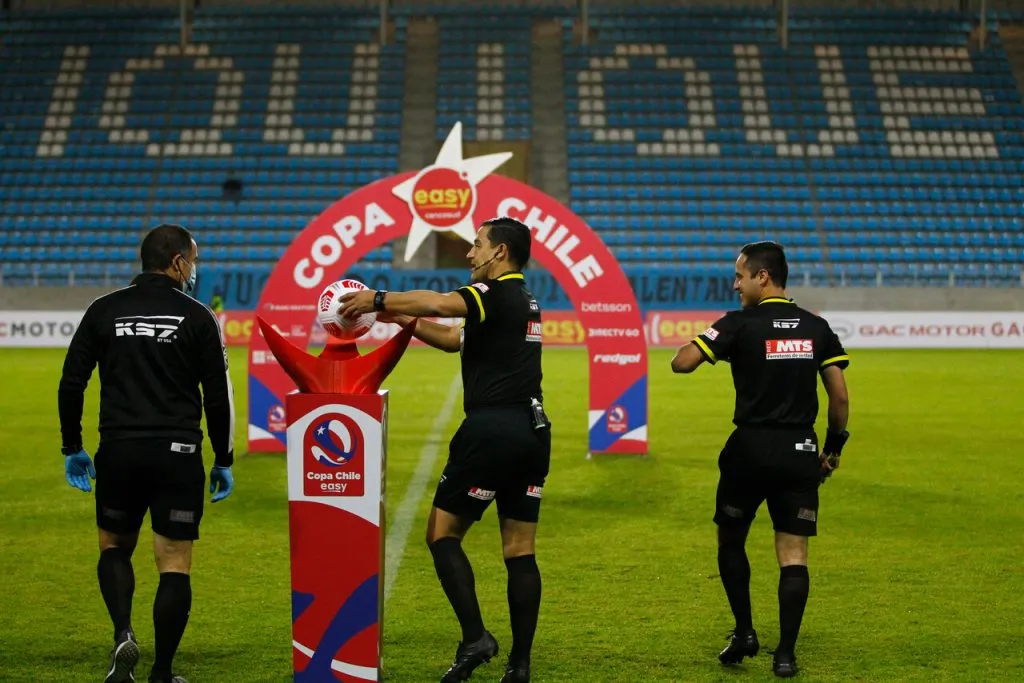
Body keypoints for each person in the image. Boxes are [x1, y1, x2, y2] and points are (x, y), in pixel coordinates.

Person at [339, 217, 550, 683]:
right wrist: (401, 319)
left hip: (491, 431)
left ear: (499, 253)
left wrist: (377, 299)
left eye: (477, 246)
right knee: (519, 549)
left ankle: (476, 636)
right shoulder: (526, 301)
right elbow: (456, 339)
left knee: (441, 534)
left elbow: (441, 303)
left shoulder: (493, 293)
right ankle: (519, 665)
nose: (470, 254)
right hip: (533, 432)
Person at [58, 223, 236, 683]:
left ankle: (122, 634)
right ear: (177, 262)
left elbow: (72, 382)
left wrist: (73, 446)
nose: (194, 268)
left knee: (114, 545)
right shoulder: (198, 317)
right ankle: (161, 672)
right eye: (192, 259)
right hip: (177, 453)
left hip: (118, 449)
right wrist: (223, 458)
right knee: (174, 561)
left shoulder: (104, 309)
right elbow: (218, 396)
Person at [670, 241, 850, 678]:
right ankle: (785, 654)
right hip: (799, 452)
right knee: (793, 554)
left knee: (731, 540)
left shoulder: (738, 324)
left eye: (740, 276)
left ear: (762, 276)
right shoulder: (816, 327)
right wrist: (832, 450)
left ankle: (746, 632)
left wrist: (715, 338)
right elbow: (840, 397)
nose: (735, 284)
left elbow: (682, 363)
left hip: (748, 450)